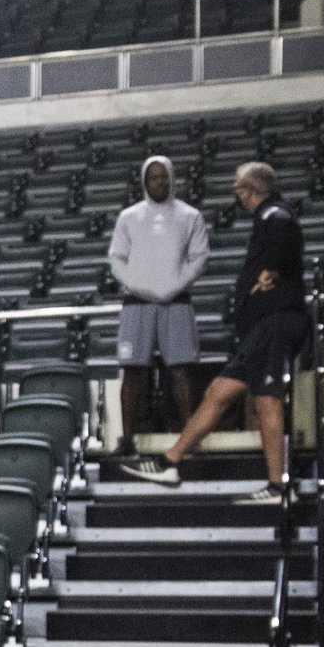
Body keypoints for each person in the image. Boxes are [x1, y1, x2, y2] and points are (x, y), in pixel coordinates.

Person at [121, 161, 307, 503]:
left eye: (238, 186)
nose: (235, 193)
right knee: (218, 393)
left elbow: (284, 240)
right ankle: (171, 462)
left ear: (252, 189)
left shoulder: (274, 214)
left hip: (274, 324)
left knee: (268, 403)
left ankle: (279, 487)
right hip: (261, 329)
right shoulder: (267, 215)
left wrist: (272, 271)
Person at [108, 155, 208, 455]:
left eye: (163, 176)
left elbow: (200, 256)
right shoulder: (128, 217)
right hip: (137, 303)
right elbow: (116, 258)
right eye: (153, 177)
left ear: (172, 177)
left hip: (176, 301)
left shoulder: (190, 216)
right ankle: (127, 440)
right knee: (133, 371)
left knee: (180, 371)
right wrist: (138, 285)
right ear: (144, 180)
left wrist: (175, 284)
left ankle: (189, 438)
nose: (159, 181)